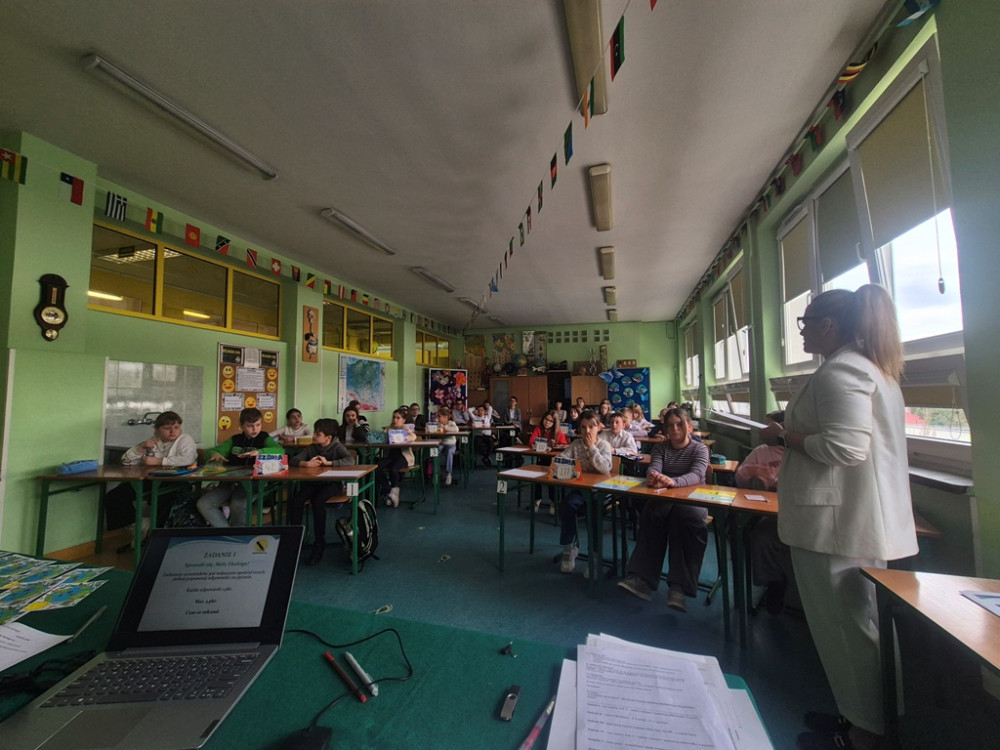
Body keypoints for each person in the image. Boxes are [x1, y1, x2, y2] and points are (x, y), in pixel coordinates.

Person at [759, 285, 916, 750]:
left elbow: (845, 448)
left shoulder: (844, 370)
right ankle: (860, 718)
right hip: (852, 520)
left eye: (805, 323)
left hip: (838, 525)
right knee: (856, 627)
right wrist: (793, 425)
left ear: (828, 325)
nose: (801, 332)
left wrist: (782, 437)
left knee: (847, 632)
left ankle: (867, 733)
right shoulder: (870, 369)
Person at [617, 407, 710, 612]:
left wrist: (672, 481)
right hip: (665, 497)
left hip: (692, 499)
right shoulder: (660, 448)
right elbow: (654, 467)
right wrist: (654, 477)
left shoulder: (700, 449)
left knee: (685, 519)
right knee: (652, 513)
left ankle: (679, 587)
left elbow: (696, 475)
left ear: (689, 427)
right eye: (670, 425)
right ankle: (641, 579)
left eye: (679, 424)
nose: (674, 429)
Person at [734, 410, 800, 616]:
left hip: (799, 514)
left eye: (769, 427)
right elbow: (739, 479)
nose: (764, 431)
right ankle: (773, 584)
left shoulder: (799, 452)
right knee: (761, 537)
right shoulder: (761, 451)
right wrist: (750, 472)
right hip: (770, 513)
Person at [106, 411, 198, 548]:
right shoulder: (153, 441)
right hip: (152, 480)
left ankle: (156, 539)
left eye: (176, 427)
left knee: (164, 499)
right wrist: (141, 448)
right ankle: (139, 525)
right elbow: (126, 461)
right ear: (157, 429)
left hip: (176, 481)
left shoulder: (185, 439)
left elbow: (187, 459)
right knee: (114, 496)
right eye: (167, 428)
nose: (173, 431)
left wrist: (159, 461)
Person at [197, 408, 283, 527]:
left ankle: (238, 532)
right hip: (230, 482)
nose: (255, 429)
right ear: (241, 426)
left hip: (252, 483)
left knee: (238, 504)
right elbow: (211, 452)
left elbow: (280, 451)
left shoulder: (264, 438)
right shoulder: (235, 440)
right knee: (204, 503)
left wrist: (260, 452)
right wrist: (214, 454)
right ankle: (229, 532)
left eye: (258, 425)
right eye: (250, 426)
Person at [287, 418, 355, 565]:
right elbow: (293, 460)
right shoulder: (311, 448)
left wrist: (329, 463)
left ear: (328, 438)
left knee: (317, 501)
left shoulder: (337, 447)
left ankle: (319, 543)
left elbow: (350, 460)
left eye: (318, 434)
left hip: (332, 484)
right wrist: (306, 464)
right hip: (314, 483)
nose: (313, 436)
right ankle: (294, 540)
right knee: (296, 500)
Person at [556, 410, 613, 574]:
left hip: (599, 491)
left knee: (594, 513)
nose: (587, 431)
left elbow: (605, 468)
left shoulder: (604, 445)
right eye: (583, 427)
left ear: (599, 427)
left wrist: (591, 448)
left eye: (591, 427)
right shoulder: (575, 445)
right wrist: (562, 463)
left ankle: (594, 556)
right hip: (581, 490)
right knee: (567, 505)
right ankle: (569, 548)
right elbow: (561, 460)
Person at [526, 410, 569, 510]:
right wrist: (546, 444)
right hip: (543, 459)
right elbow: (531, 442)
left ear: (554, 423)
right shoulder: (538, 429)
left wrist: (555, 445)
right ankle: (537, 499)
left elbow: (564, 445)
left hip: (554, 461)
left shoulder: (558, 432)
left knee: (552, 477)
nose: (547, 422)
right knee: (535, 475)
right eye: (546, 419)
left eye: (551, 421)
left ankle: (554, 501)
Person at [377, 409, 417, 507]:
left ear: (403, 420)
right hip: (390, 456)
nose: (395, 420)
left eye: (398, 418)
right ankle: (389, 490)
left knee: (394, 468)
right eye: (394, 417)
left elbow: (413, 436)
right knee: (376, 467)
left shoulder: (405, 428)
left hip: (403, 457)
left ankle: (394, 490)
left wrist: (402, 438)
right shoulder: (388, 428)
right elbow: (381, 438)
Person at [434, 406, 460, 485]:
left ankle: (449, 474)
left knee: (449, 453)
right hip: (441, 444)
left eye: (439, 417)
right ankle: (437, 472)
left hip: (451, 444)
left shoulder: (451, 423)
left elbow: (456, 430)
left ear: (445, 417)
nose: (438, 418)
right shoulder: (438, 424)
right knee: (434, 451)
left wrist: (444, 427)